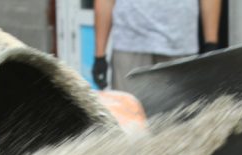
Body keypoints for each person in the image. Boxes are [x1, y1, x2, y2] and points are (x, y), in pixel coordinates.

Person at [92, 0, 221, 92]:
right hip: (129, 44)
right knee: (129, 121)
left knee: (178, 121)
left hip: (179, 43)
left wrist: (211, 44)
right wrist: (99, 55)